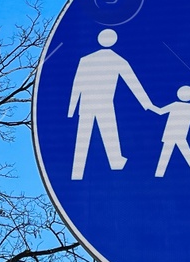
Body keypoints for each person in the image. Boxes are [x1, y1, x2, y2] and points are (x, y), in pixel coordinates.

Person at [67, 28, 156, 180]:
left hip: (86, 104)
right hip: (104, 104)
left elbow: (77, 85)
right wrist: (148, 105)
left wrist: (72, 109)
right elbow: (134, 85)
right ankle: (116, 163)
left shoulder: (86, 60)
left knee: (84, 137)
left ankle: (77, 171)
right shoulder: (118, 60)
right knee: (110, 134)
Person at [153, 86, 190, 176]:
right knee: (180, 148)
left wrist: (151, 107)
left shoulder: (175, 105)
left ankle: (160, 172)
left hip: (170, 133)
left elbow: (161, 111)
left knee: (169, 151)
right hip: (180, 134)